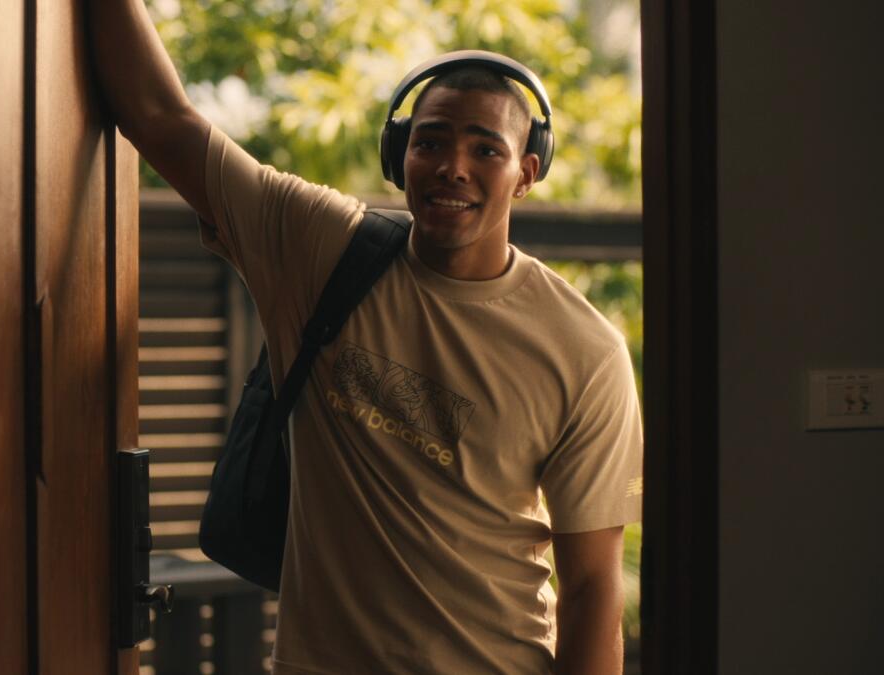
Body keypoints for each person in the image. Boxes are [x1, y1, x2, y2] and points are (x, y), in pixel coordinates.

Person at [89, 2, 643, 673]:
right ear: (398, 155)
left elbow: (592, 587)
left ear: (525, 173)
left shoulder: (584, 350)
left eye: (485, 148)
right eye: (431, 141)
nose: (453, 167)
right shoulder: (321, 250)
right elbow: (160, 118)